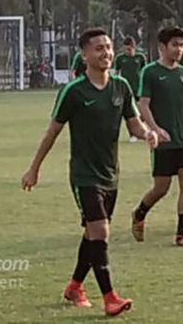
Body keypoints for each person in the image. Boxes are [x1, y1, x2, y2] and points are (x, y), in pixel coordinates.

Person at [20, 28, 158, 317]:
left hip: (111, 174)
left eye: (108, 47)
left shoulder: (121, 87)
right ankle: (110, 298)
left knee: (92, 234)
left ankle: (74, 287)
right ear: (84, 55)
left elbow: (133, 123)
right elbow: (52, 132)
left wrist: (148, 133)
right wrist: (34, 169)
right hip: (84, 175)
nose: (106, 52)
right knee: (100, 231)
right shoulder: (74, 92)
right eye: (98, 48)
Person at [131, 27, 183, 247]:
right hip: (163, 139)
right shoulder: (150, 72)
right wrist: (155, 129)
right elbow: (143, 104)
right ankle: (140, 212)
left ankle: (182, 234)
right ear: (162, 47)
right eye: (175, 45)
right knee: (162, 187)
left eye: (182, 45)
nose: (179, 49)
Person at [113, 37, 145, 142]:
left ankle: (142, 130)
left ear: (134, 47)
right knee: (129, 113)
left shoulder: (140, 57)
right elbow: (116, 73)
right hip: (125, 89)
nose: (128, 51)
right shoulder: (120, 58)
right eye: (126, 49)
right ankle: (132, 134)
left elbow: (145, 72)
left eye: (130, 49)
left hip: (139, 88)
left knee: (142, 111)